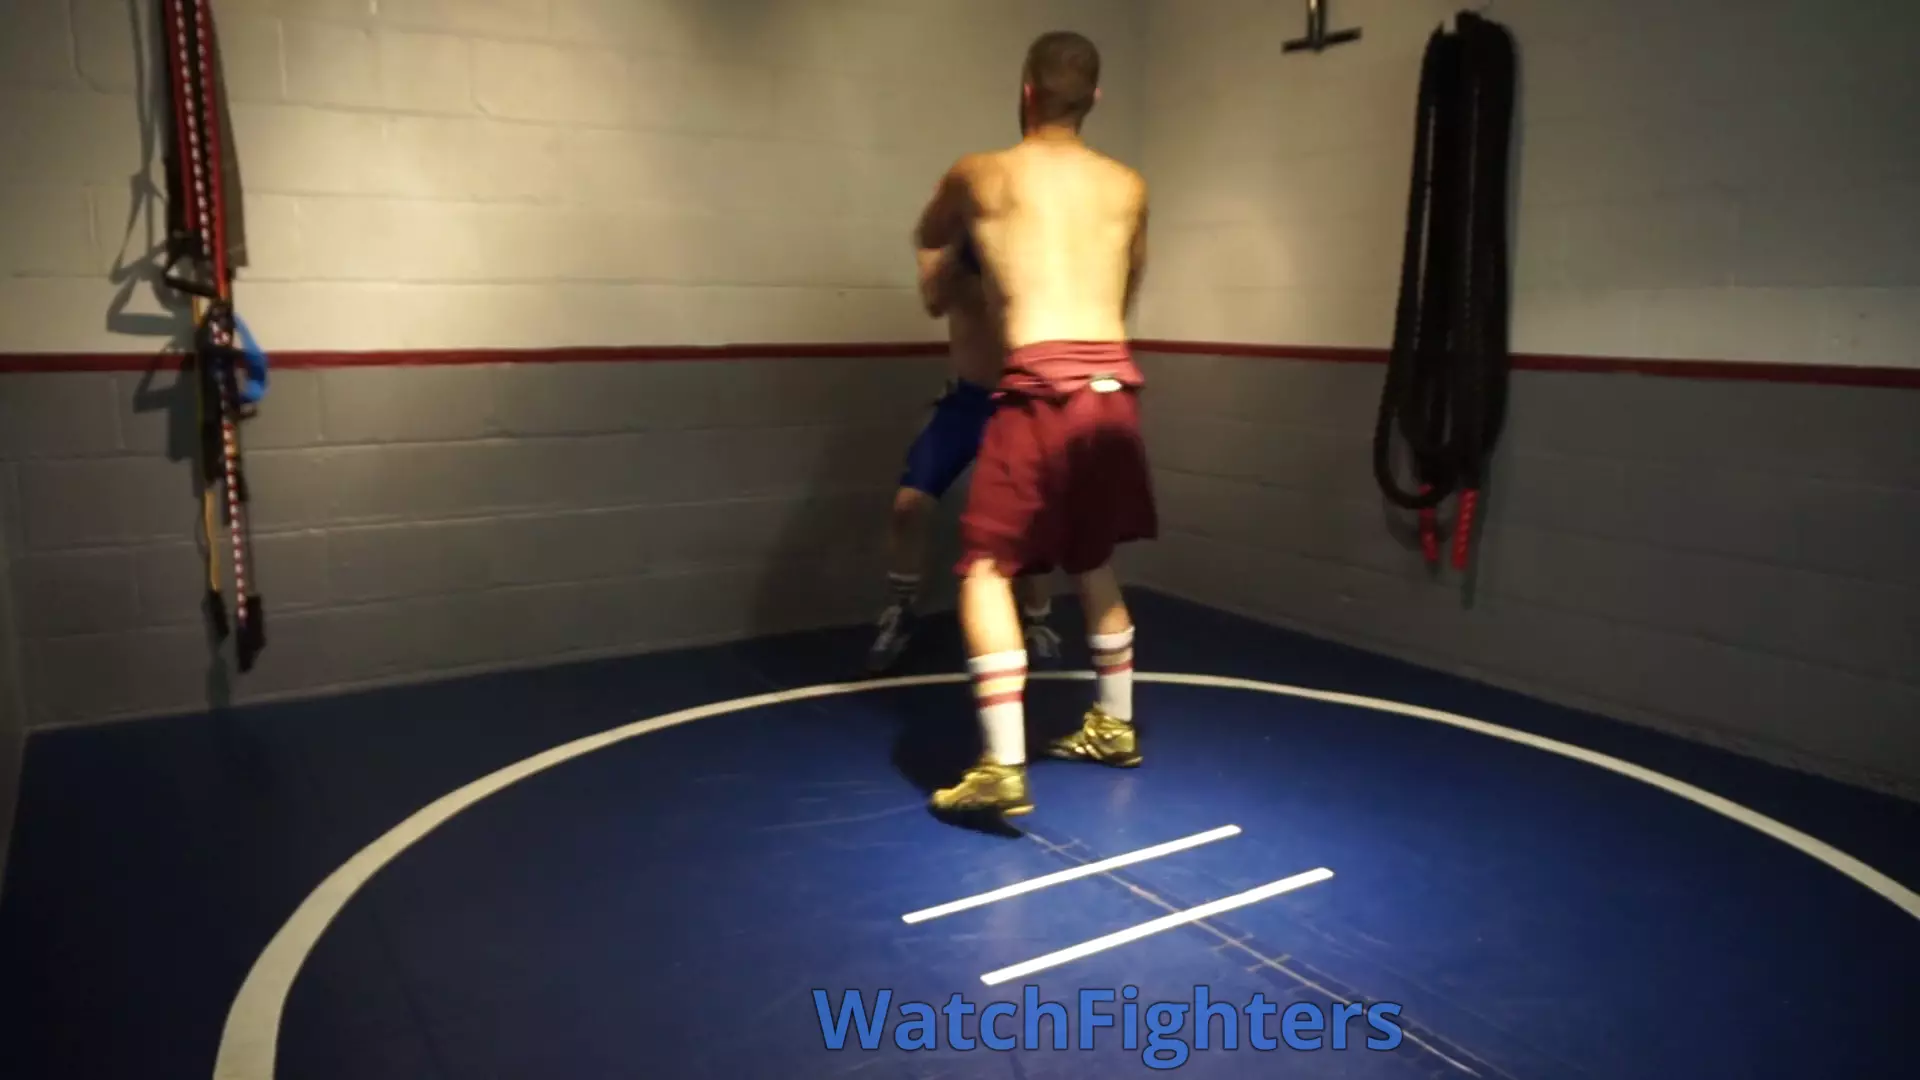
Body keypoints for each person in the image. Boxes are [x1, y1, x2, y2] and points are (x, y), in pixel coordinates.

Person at [911, 30, 1154, 816]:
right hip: (1113, 385)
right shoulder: (1129, 184)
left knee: (986, 568)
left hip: (1041, 388)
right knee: (1090, 555)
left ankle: (1001, 768)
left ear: (1025, 91)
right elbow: (1130, 279)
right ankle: (1115, 725)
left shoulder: (979, 172)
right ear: (1096, 98)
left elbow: (929, 238)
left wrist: (941, 285)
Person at [867, 234, 1062, 674]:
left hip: (1019, 403)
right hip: (965, 404)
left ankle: (1038, 620)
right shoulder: (955, 264)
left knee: (1028, 518)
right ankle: (902, 610)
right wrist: (947, 255)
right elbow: (934, 298)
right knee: (908, 506)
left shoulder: (1030, 263)